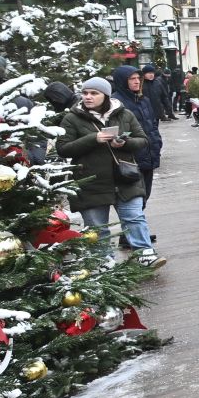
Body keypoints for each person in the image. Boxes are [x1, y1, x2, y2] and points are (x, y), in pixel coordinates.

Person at [56, 77, 164, 268]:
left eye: (94, 93)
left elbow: (142, 139)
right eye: (85, 93)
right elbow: (63, 148)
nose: (88, 97)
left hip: (125, 177)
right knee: (98, 227)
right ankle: (104, 261)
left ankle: (145, 253)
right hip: (91, 181)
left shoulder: (124, 114)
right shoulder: (72, 118)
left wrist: (124, 142)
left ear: (105, 95)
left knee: (134, 217)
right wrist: (93, 138)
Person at [110, 64, 163, 208]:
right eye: (132, 79)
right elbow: (117, 131)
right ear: (122, 81)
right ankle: (137, 230)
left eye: (138, 78)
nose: (137, 81)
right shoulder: (115, 102)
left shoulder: (142, 99)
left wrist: (157, 143)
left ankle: (140, 230)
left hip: (149, 155)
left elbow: (152, 124)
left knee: (145, 196)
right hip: (131, 159)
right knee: (134, 200)